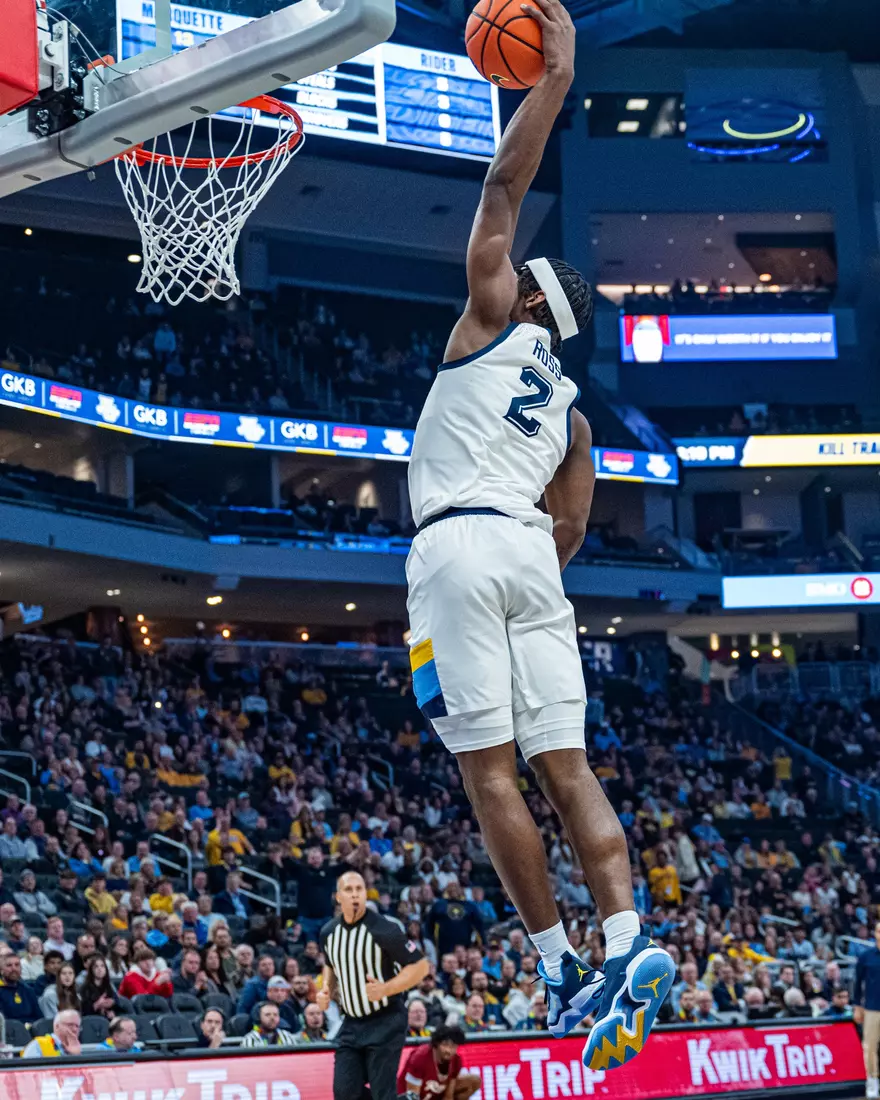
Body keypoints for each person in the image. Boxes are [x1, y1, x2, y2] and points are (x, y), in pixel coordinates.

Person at [403, 0, 672, 1073]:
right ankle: (626, 940)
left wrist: (548, 81)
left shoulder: (483, 322)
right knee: (565, 763)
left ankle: (560, 964)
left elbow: (500, 187)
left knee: (489, 775)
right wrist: (526, 585)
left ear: (524, 298)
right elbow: (569, 524)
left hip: (460, 545)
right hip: (529, 557)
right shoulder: (572, 413)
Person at [318, 871, 429, 1100]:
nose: (355, 895)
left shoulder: (384, 930)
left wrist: (386, 989)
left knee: (382, 1093)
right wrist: (326, 988)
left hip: (386, 1020)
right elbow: (330, 963)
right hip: (351, 1024)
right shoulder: (328, 933)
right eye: (349, 890)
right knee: (344, 1091)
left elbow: (420, 966)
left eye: (360, 889)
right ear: (338, 897)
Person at [397, 1025, 481, 1100]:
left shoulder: (456, 1060)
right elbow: (412, 1096)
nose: (449, 1050)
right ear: (436, 1044)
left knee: (474, 1081)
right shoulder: (420, 1057)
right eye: (445, 1045)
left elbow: (448, 1096)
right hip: (406, 1095)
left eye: (453, 1046)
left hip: (434, 1095)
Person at [855, 920, 880, 1099]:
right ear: (876, 934)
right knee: (870, 1047)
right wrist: (857, 1006)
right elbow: (857, 984)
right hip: (872, 1008)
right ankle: (872, 1081)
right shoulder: (866, 956)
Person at [0, 953, 42, 1023]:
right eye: (9, 965)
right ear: (1, 970)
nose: (14, 969)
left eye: (17, 965)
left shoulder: (28, 990)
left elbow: (39, 1017)